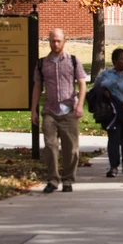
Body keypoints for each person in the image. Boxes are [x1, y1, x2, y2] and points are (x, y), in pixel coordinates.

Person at [31, 29, 87, 193]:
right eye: (52, 41)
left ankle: (68, 179)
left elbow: (82, 83)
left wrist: (80, 105)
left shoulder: (73, 61)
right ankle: (53, 180)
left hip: (69, 110)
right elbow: (37, 87)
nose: (55, 44)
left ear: (64, 41)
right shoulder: (42, 63)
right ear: (48, 41)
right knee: (50, 146)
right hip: (49, 110)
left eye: (58, 41)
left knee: (71, 149)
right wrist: (33, 110)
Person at [93, 48, 123, 178]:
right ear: (114, 61)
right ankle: (113, 166)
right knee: (113, 138)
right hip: (112, 112)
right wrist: (103, 92)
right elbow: (95, 88)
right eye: (122, 58)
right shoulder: (105, 75)